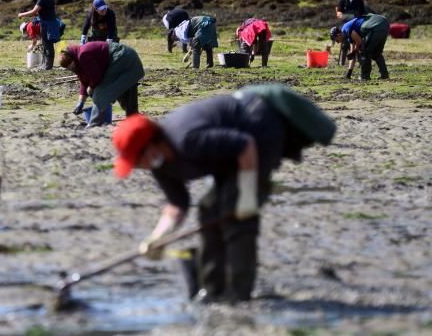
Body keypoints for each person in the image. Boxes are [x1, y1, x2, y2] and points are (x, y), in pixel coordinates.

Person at [111, 85, 335, 302]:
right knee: (209, 210)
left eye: (136, 161)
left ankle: (239, 293)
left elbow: (245, 144)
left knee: (236, 213)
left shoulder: (187, 140)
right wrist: (159, 236)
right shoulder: (159, 164)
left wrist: (247, 195)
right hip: (229, 154)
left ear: (151, 148)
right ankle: (212, 289)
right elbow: (177, 203)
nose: (138, 167)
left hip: (258, 127)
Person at [59, 41, 144, 127]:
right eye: (69, 68)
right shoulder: (78, 57)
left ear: (72, 58)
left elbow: (96, 78)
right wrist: (81, 101)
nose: (71, 68)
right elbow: (84, 80)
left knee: (101, 92)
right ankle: (134, 120)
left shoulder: (83, 55)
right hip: (129, 57)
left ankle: (94, 123)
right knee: (123, 90)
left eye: (71, 65)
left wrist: (91, 87)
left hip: (121, 57)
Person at [330, 13, 390, 80]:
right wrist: (349, 73)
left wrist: (355, 50)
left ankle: (364, 76)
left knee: (364, 51)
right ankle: (384, 75)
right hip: (384, 23)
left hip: (376, 25)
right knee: (376, 53)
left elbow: (359, 41)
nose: (338, 42)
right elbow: (353, 56)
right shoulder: (347, 35)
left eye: (337, 40)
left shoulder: (346, 29)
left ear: (338, 35)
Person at [18, 0, 62, 69]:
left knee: (47, 44)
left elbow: (34, 11)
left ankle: (47, 65)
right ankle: (46, 64)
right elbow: (45, 12)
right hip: (52, 23)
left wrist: (22, 14)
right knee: (48, 44)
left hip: (46, 24)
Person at [334, 0, 369, 66]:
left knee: (358, 43)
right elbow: (338, 10)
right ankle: (342, 63)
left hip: (356, 25)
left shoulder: (359, 0)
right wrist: (339, 13)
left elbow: (363, 12)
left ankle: (361, 63)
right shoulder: (343, 0)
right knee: (345, 44)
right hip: (345, 24)